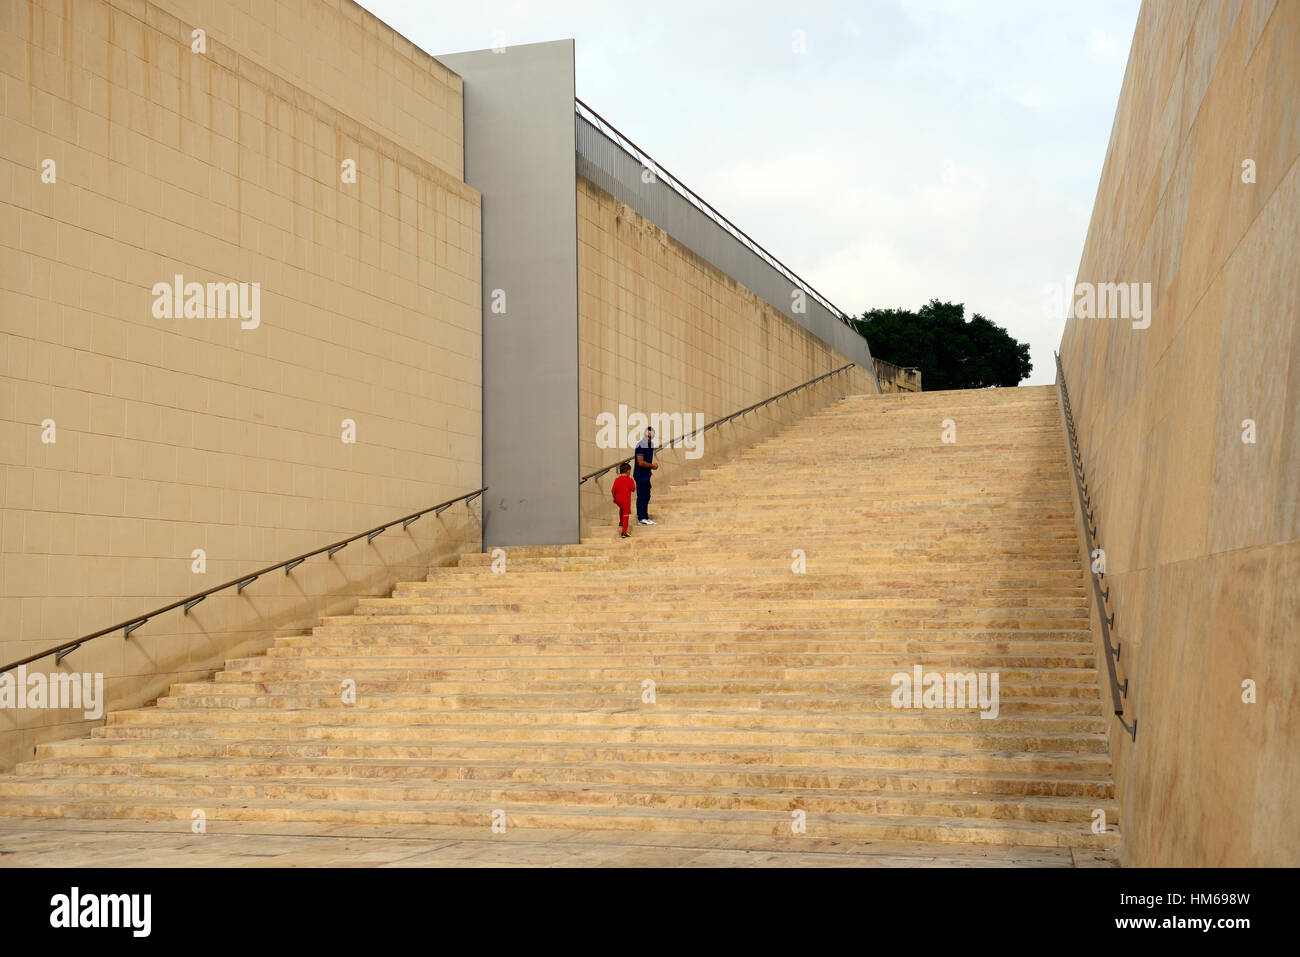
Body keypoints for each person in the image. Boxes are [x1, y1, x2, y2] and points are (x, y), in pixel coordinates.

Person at [633, 426, 658, 525]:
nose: (649, 435)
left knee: (647, 495)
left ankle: (645, 516)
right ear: (644, 433)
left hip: (646, 474)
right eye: (648, 433)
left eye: (651, 434)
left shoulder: (651, 444)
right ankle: (641, 518)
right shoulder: (640, 445)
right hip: (640, 474)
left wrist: (649, 470)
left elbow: (647, 460)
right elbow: (640, 462)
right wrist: (652, 466)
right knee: (641, 495)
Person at [611, 462, 636, 538]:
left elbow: (613, 490)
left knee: (621, 508)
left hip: (618, 500)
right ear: (628, 471)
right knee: (626, 515)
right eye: (630, 471)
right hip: (625, 500)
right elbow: (633, 489)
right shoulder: (629, 479)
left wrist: (614, 498)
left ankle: (621, 522)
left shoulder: (617, 479)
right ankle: (624, 532)